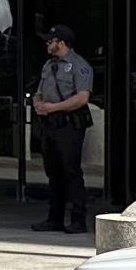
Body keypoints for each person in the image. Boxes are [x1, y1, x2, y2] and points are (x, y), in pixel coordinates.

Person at [30, 22, 96, 233]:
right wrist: (38, 104)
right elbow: (39, 90)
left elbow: (82, 97)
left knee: (71, 172)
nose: (47, 44)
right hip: (49, 124)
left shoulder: (79, 65)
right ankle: (54, 218)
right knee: (53, 172)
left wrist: (54, 108)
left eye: (50, 41)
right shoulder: (48, 65)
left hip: (68, 124)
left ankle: (78, 220)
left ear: (61, 42)